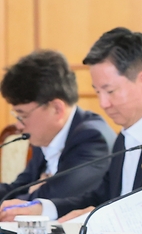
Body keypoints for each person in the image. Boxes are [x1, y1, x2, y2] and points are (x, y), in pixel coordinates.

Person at [0, 28, 142, 221]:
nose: (103, 103)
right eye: (98, 92)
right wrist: (43, 208)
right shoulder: (125, 137)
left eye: (110, 91)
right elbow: (101, 197)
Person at [0, 49, 115, 200]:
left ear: (56, 109)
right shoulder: (46, 135)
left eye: (23, 116)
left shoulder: (93, 139)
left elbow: (53, 198)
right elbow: (18, 188)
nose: (19, 126)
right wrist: (30, 192)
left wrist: (31, 193)